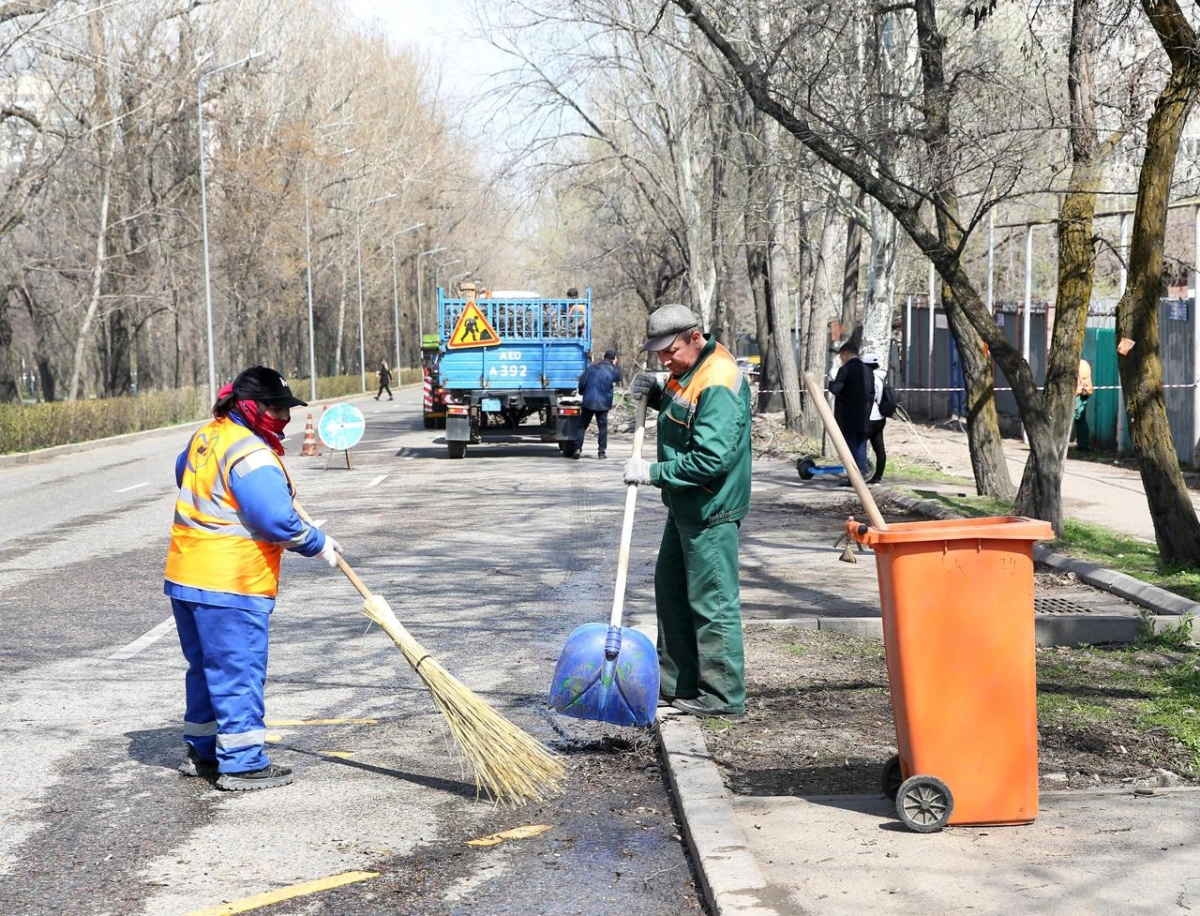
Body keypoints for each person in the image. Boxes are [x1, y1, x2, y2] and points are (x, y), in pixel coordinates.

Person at [164, 366, 342, 791]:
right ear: (253, 406)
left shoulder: (208, 436)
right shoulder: (250, 452)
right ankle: (242, 763)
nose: (285, 417)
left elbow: (186, 476)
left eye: (288, 409)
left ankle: (204, 752)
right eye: (278, 408)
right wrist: (317, 542)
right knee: (238, 669)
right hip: (232, 581)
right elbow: (274, 519)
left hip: (188, 575)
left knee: (207, 668)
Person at [624, 305, 753, 719]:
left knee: (712, 602)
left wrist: (652, 472)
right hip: (685, 506)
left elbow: (710, 458)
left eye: (669, 351)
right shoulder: (691, 372)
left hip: (710, 507)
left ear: (695, 337)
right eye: (658, 354)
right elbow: (686, 417)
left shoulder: (717, 378)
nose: (664, 360)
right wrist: (659, 393)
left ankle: (722, 696)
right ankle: (676, 683)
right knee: (671, 590)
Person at [828, 341, 874, 482]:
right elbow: (872, 393)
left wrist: (830, 383)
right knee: (861, 444)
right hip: (864, 413)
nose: (841, 359)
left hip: (847, 415)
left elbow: (836, 389)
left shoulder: (845, 370)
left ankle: (854, 477)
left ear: (846, 354)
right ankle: (861, 473)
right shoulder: (868, 370)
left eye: (841, 356)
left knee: (850, 447)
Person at [573, 348, 621, 459]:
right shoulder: (613, 370)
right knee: (602, 428)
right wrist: (614, 364)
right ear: (613, 359)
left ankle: (577, 448)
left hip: (588, 401)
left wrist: (582, 392)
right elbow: (618, 377)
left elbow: (582, 382)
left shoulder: (592, 368)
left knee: (582, 426)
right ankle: (601, 452)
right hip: (603, 404)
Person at [863, 353, 887, 484]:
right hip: (880, 417)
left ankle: (860, 471)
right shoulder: (882, 377)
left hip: (871, 416)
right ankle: (878, 476)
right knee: (879, 447)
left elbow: (873, 397)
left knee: (859, 444)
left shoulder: (873, 379)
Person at [1074, 358, 1094, 451]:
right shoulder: (1084, 363)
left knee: (1070, 418)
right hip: (1084, 393)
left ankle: (1082, 444)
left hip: (1075, 393)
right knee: (1081, 420)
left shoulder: (1073, 363)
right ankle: (1083, 445)